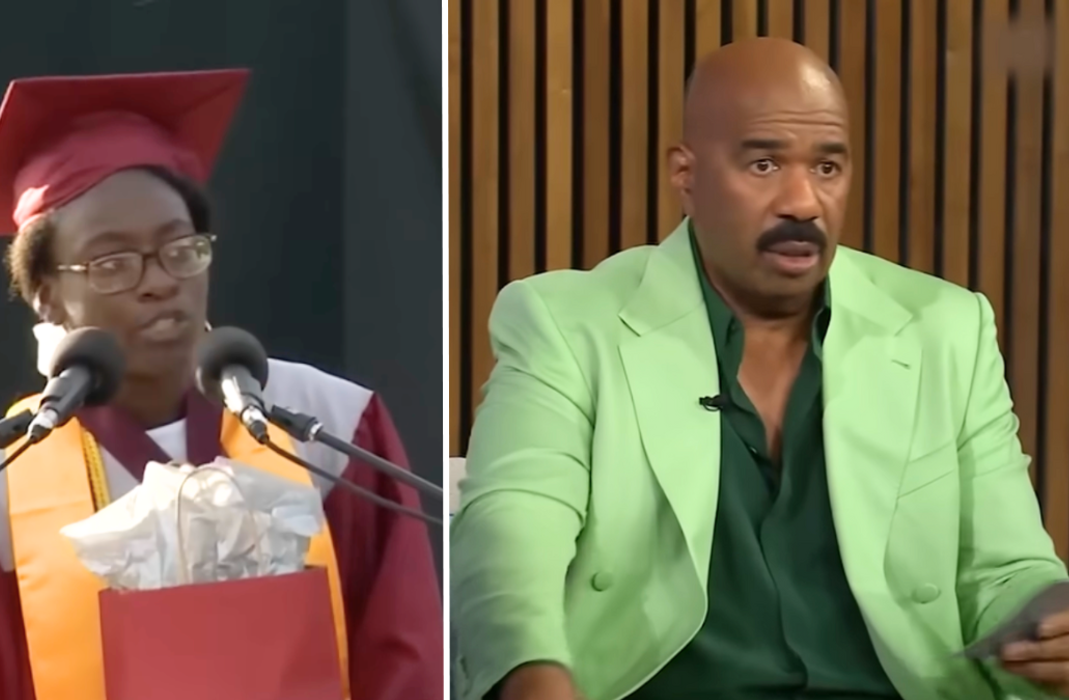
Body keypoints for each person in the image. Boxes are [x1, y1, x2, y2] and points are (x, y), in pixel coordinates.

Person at [450, 37, 1069, 700]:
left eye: (827, 168)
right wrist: (532, 675)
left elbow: (1006, 570)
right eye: (765, 163)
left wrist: (1048, 622)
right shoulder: (567, 324)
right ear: (684, 174)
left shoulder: (945, 329)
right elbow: (512, 526)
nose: (802, 202)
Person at [0, 69, 441, 700]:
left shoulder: (329, 429)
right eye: (112, 262)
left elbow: (403, 660)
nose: (159, 280)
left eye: (179, 249)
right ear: (48, 295)